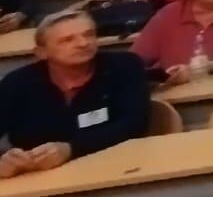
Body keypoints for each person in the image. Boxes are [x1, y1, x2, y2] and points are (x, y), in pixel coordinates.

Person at [0, 12, 149, 178]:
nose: (83, 43)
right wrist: (4, 162)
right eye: (67, 40)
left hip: (114, 168)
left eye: (89, 35)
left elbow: (134, 123)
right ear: (41, 52)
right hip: (37, 178)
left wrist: (71, 149)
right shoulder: (17, 83)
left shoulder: (123, 66)